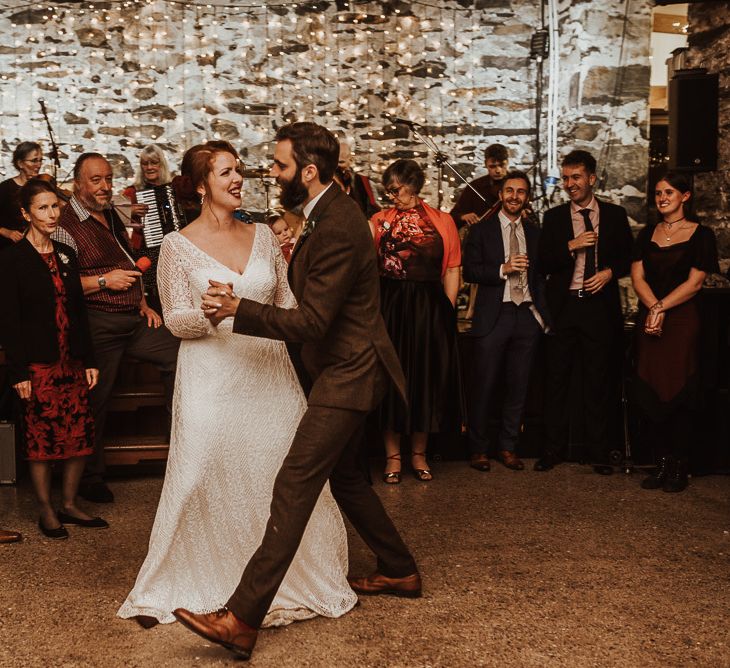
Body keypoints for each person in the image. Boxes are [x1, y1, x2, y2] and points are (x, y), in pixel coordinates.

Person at [173, 123, 420, 661]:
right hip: (344, 367)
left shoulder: (336, 223)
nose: (273, 174)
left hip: (350, 373)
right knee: (348, 477)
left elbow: (310, 321)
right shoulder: (324, 214)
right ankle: (399, 569)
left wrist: (240, 308)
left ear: (308, 171)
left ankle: (242, 616)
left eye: (281, 166)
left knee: (294, 481)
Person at [118, 140, 357, 628]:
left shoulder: (264, 237)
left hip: (267, 372)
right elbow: (174, 317)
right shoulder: (177, 245)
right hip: (209, 377)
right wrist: (209, 313)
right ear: (202, 184)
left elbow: (288, 303)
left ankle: (270, 584)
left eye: (238, 171)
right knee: (199, 474)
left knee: (276, 474)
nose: (236, 180)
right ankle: (182, 580)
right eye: (225, 172)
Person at [53, 153, 179, 503]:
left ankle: (180, 454)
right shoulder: (65, 224)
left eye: (108, 178)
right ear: (78, 183)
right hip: (98, 322)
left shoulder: (109, 213)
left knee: (182, 355)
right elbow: (62, 284)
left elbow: (125, 259)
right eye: (96, 180)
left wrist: (142, 301)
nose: (105, 186)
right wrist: (106, 280)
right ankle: (91, 477)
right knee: (97, 397)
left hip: (134, 319)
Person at [0, 179, 107, 539]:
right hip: (38, 364)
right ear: (25, 213)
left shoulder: (66, 253)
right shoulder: (12, 259)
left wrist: (89, 359)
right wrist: (18, 372)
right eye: (42, 208)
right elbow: (9, 322)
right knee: (42, 438)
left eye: (55, 206)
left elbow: (78, 310)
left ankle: (70, 503)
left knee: (79, 433)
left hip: (71, 360)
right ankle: (46, 508)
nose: (51, 214)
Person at [536, 150, 633, 474]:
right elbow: (543, 262)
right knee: (557, 380)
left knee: (598, 381)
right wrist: (571, 246)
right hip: (565, 307)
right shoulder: (553, 218)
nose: (570, 184)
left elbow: (627, 257)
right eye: (565, 178)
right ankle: (552, 450)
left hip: (599, 307)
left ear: (591, 178)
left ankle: (599, 453)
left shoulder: (616, 215)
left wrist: (608, 273)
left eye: (576, 177)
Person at [370, 159, 462, 483]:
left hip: (428, 307)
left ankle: (419, 455)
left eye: (396, 189)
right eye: (388, 190)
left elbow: (452, 268)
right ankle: (392, 457)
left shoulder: (443, 221)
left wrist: (447, 310)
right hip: (391, 306)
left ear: (412, 185)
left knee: (424, 379)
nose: (392, 195)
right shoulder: (378, 221)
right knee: (391, 381)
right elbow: (369, 269)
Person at [631, 172, 719, 492]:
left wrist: (660, 308)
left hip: (681, 320)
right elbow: (637, 278)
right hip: (652, 316)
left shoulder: (701, 235)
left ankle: (680, 466)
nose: (662, 197)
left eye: (669, 192)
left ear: (685, 196)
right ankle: (662, 464)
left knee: (680, 389)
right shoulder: (646, 234)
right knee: (650, 388)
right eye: (657, 193)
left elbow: (695, 284)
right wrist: (653, 308)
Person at [462, 170, 550, 472]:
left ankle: (508, 446)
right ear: (500, 195)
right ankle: (478, 449)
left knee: (519, 385)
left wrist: (542, 317)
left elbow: (541, 276)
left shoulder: (535, 233)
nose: (514, 196)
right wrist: (503, 267)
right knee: (484, 384)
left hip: (526, 315)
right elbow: (469, 271)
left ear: (527, 197)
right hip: (493, 315)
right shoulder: (482, 231)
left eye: (521, 192)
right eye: (509, 191)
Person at [120, 144, 175, 310]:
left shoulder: (173, 188)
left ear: (161, 164)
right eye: (145, 163)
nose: (149, 167)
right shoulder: (134, 191)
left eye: (154, 162)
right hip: (145, 249)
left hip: (172, 248)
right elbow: (114, 215)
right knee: (151, 291)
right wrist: (131, 210)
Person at [450, 143, 509, 228]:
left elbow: (529, 213)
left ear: (507, 162)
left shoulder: (518, 185)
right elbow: (453, 215)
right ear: (486, 164)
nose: (498, 170)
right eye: (492, 166)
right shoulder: (475, 186)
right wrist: (463, 216)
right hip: (482, 237)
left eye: (501, 165)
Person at [0, 141, 43, 250]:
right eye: (34, 160)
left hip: (38, 245)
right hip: (11, 246)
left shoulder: (41, 186)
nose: (39, 165)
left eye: (40, 160)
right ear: (20, 164)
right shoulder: (5, 188)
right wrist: (7, 232)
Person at [336, 140, 380, 219]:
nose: (341, 156)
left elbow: (370, 206)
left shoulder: (361, 180)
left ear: (351, 159)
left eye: (344, 155)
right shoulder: (328, 178)